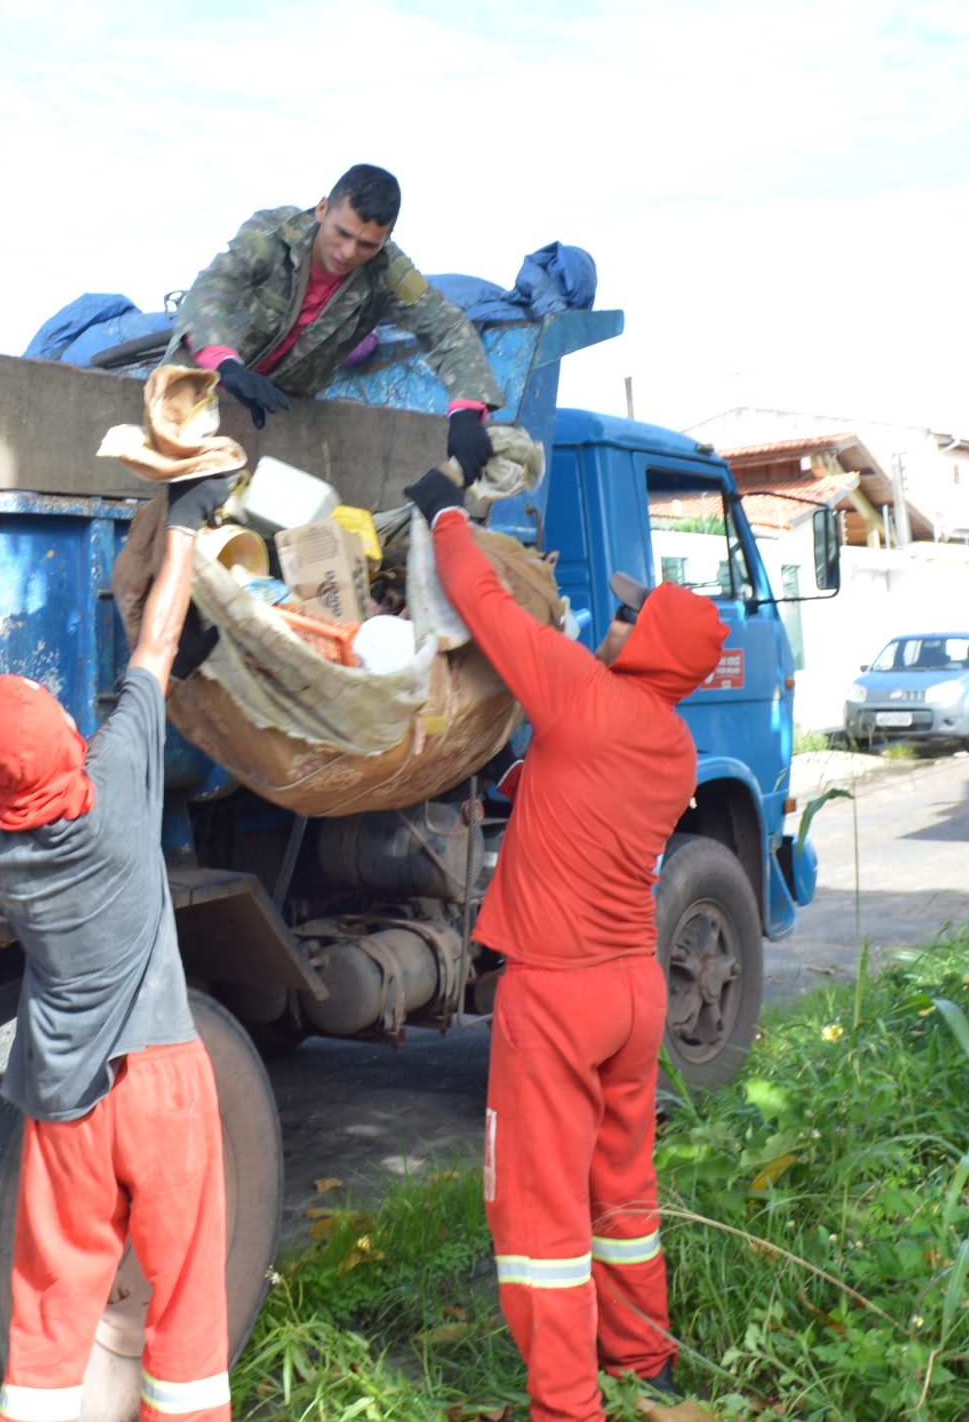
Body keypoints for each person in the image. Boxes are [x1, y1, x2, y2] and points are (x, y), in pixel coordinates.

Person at [402, 465, 730, 1422]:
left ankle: (566, 1406)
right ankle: (643, 1361)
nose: (614, 621)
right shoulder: (670, 745)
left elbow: (480, 600)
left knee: (539, 1219)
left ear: (649, 644)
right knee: (621, 1189)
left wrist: (446, 509)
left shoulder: (583, 697)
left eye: (631, 616)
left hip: (556, 997)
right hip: (633, 992)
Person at [0, 472, 235, 1422]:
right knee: (188, 1298)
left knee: (48, 1311)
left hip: (64, 1096)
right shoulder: (119, 789)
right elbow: (155, 643)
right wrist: (190, 522)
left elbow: (20, 771)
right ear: (70, 742)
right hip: (159, 1081)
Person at [173, 164, 503, 481]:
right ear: (322, 209)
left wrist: (467, 409)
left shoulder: (387, 270)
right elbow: (214, 288)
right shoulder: (271, 234)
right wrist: (227, 365)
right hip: (199, 388)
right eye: (341, 233)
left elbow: (446, 327)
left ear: (386, 239)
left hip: (280, 411)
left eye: (367, 244)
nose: (347, 252)